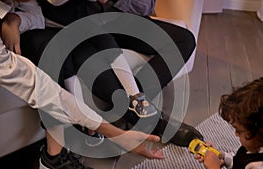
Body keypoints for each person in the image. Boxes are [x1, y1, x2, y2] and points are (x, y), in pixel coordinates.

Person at [0, 1, 165, 169]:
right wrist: (114, 133)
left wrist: (15, 19)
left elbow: (36, 83)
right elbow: (28, 82)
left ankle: (56, 154)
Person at [37, 0, 203, 148]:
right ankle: (155, 122)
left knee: (184, 40)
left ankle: (132, 108)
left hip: (118, 18)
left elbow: (146, 6)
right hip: (80, 29)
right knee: (89, 63)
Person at [195, 78, 263, 169]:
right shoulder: (254, 146)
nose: (236, 133)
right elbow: (239, 161)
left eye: (239, 130)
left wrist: (213, 166)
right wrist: (220, 156)